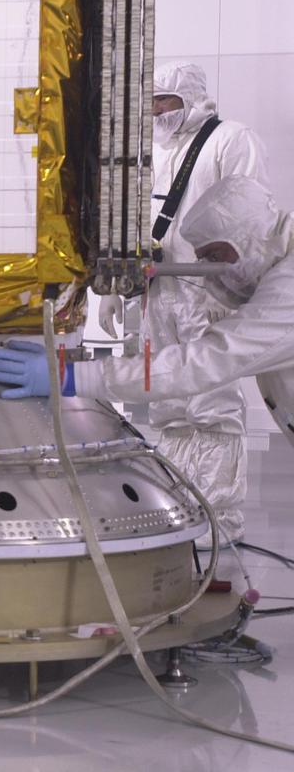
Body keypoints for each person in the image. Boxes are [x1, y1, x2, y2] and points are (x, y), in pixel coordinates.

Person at [0, 178, 294, 541]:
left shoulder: (285, 293)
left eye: (215, 256)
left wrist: (73, 378)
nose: (210, 270)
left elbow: (201, 363)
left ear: (248, 235)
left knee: (208, 405)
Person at [92, 62, 269, 544]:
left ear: (190, 98)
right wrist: (111, 286)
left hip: (205, 292)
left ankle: (218, 532)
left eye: (165, 102)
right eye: (150, 104)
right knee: (167, 408)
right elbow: (132, 220)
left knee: (211, 409)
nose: (156, 112)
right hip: (156, 294)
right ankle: (178, 523)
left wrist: (232, 280)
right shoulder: (153, 151)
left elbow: (250, 213)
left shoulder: (231, 140)